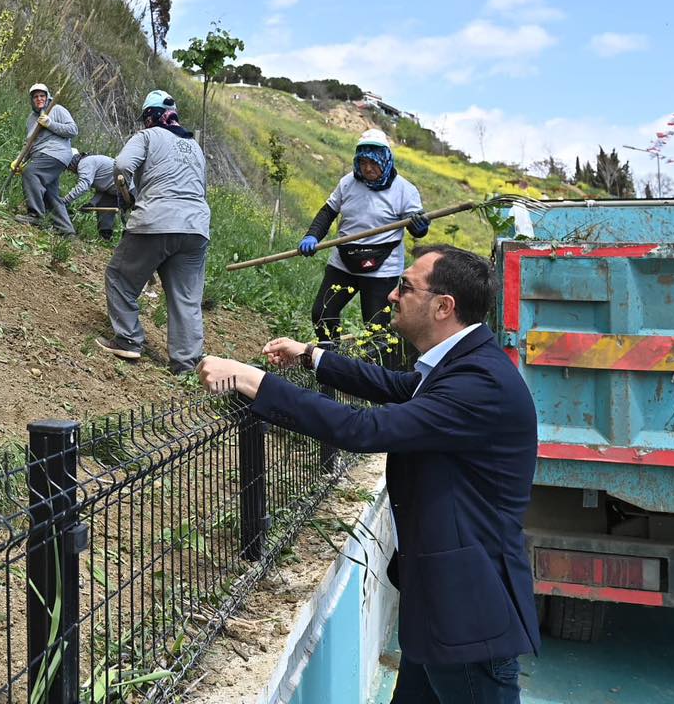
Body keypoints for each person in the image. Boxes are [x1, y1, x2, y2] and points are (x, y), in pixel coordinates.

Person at [197, 245, 539, 704]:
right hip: (441, 608)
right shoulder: (463, 364)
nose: (393, 295)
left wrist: (253, 380)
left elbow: (364, 428)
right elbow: (397, 387)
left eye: (406, 287)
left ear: (443, 307)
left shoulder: (480, 383)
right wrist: (311, 356)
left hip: (469, 621)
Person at [98, 90, 209, 375]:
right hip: (196, 228)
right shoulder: (195, 147)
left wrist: (128, 196)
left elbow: (121, 166)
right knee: (186, 297)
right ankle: (187, 365)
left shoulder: (146, 136)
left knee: (120, 277)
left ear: (150, 116)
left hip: (156, 221)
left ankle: (129, 339)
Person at [299, 128, 428, 353]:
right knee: (322, 312)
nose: (368, 168)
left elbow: (416, 228)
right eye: (363, 162)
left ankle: (373, 374)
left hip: (382, 268)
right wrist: (312, 235)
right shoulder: (348, 183)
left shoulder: (404, 191)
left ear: (386, 160)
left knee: (376, 329)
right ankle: (330, 357)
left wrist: (419, 227)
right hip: (344, 261)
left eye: (374, 163)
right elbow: (328, 211)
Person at [17, 83, 78, 236]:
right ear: (32, 100)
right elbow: (30, 144)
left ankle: (36, 215)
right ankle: (66, 229)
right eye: (36, 97)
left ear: (47, 97)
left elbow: (73, 130)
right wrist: (19, 160)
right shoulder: (31, 119)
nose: (39, 99)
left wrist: (50, 124)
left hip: (55, 153)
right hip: (41, 155)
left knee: (30, 173)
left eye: (42, 96)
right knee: (51, 193)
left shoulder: (57, 109)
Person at [60, 149, 124, 242]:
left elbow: (83, 186)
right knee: (104, 206)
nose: (70, 171)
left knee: (130, 217)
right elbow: (103, 187)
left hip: (126, 187)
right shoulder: (90, 161)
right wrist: (92, 203)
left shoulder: (85, 163)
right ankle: (105, 239)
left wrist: (65, 201)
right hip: (113, 190)